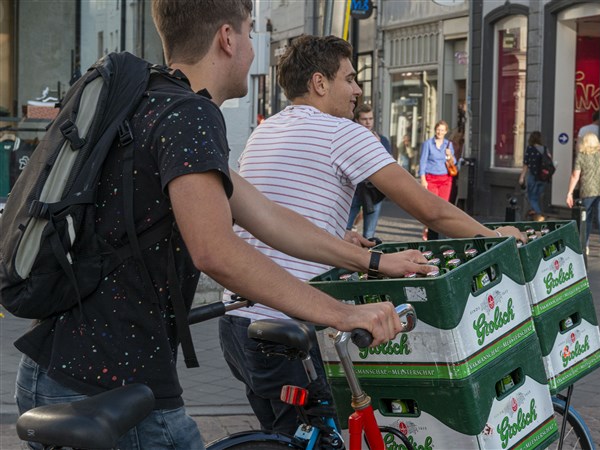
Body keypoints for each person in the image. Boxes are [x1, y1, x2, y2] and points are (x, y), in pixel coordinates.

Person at [12, 3, 432, 449]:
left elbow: (270, 218)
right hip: (108, 385)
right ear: (227, 39)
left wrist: (373, 260)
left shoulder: (148, 101)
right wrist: (344, 314)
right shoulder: (189, 115)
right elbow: (216, 251)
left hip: (66, 369)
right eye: (250, 34)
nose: (253, 51)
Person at [222, 34, 525, 435]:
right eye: (349, 79)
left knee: (284, 437)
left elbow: (277, 208)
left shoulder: (265, 131)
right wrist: (492, 235)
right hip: (290, 326)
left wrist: (338, 232)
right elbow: (429, 208)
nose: (358, 90)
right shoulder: (342, 132)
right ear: (319, 83)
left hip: (239, 325)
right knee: (325, 435)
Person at [565, 132, 600, 257]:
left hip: (587, 192)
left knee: (587, 220)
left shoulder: (581, 156)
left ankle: (586, 246)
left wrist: (570, 193)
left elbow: (575, 176)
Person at [345, 104, 391, 239]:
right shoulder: (351, 139)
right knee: (343, 229)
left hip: (372, 191)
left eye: (370, 119)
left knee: (369, 233)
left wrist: (377, 145)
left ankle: (367, 258)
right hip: (353, 189)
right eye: (364, 119)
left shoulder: (382, 140)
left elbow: (387, 164)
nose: (368, 122)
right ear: (357, 120)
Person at [418, 120, 456, 240]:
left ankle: (440, 231)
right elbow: (422, 162)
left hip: (445, 179)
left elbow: (453, 162)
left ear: (446, 131)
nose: (440, 132)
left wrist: (450, 155)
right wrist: (423, 179)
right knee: (432, 207)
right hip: (432, 178)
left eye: (442, 130)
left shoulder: (448, 144)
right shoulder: (428, 144)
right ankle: (427, 228)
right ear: (435, 130)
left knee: (443, 207)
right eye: (438, 129)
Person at [519, 131, 550, 221]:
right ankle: (534, 216)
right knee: (536, 198)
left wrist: (522, 177)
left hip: (533, 177)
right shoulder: (545, 149)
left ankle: (539, 216)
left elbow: (526, 164)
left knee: (532, 198)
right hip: (543, 178)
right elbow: (550, 161)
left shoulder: (530, 149)